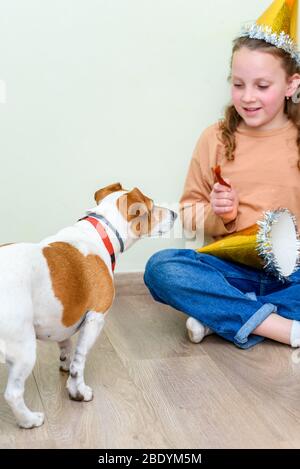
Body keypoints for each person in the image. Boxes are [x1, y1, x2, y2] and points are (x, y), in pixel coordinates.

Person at [144, 0, 300, 349]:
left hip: (293, 273)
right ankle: (283, 327)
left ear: (291, 84)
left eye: (262, 86)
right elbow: (187, 211)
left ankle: (225, 316)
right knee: (161, 268)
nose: (248, 97)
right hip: (229, 270)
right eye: (238, 84)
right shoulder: (215, 138)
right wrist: (220, 214)